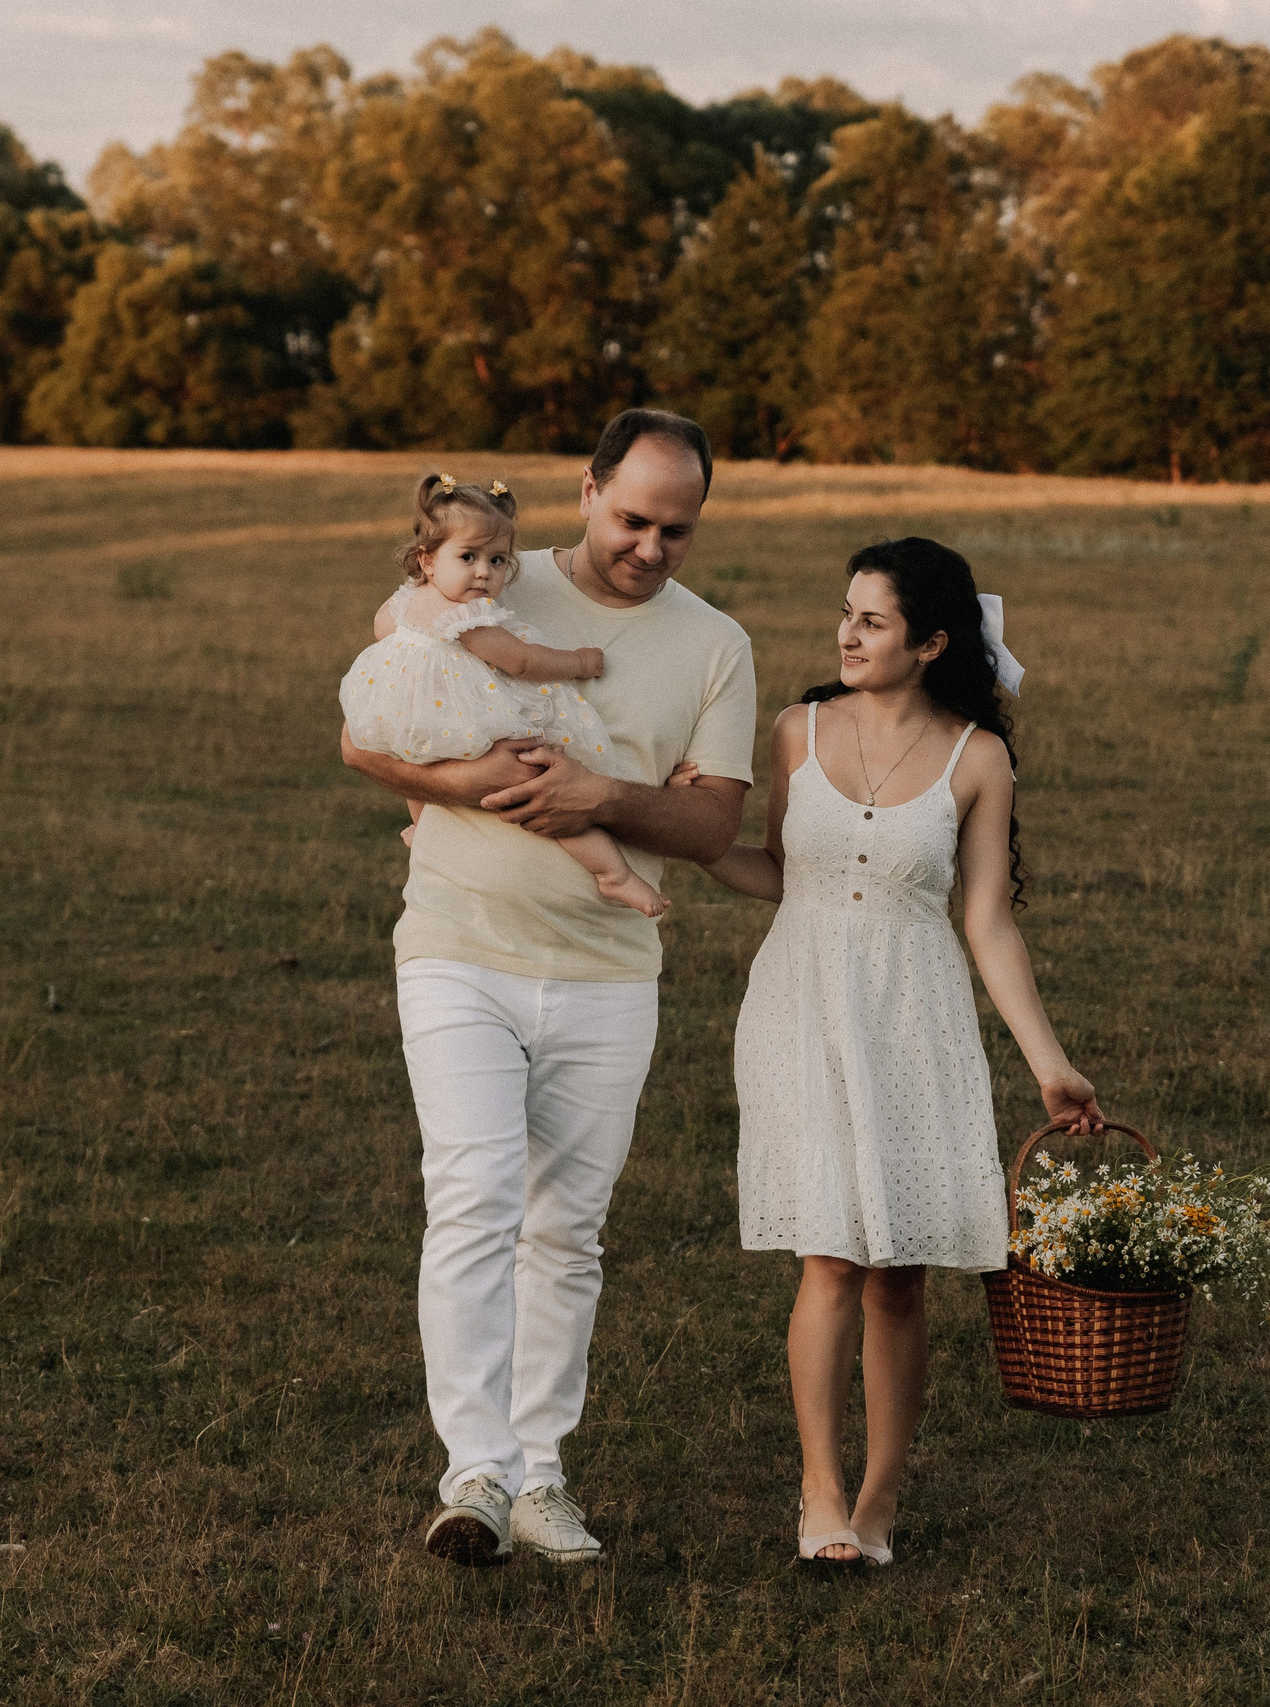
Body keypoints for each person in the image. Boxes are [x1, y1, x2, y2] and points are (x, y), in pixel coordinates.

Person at [339, 411, 755, 1567]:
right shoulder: (482, 572)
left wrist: (599, 797)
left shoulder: (716, 644)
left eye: (678, 529)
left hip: (609, 974)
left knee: (567, 1232)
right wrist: (472, 781)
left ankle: (542, 1479)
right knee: (471, 1198)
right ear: (584, 492)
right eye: (632, 519)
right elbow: (365, 736)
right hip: (458, 944)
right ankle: (473, 1475)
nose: (652, 547)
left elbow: (715, 820)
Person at [682, 536, 1102, 1568]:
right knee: (830, 1253)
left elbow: (989, 923)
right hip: (801, 1003)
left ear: (930, 643)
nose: (845, 634)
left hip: (915, 1012)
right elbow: (780, 871)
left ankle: (879, 1496)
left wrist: (1050, 1063)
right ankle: (818, 1493)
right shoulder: (796, 729)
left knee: (899, 1272)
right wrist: (676, 837)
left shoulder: (979, 759)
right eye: (845, 614)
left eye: (870, 621)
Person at [340, 472, 667, 918]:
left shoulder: (403, 600)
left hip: (411, 712)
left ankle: (420, 826)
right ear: (428, 560)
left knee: (414, 757)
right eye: (469, 556)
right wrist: (579, 662)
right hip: (459, 712)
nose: (483, 572)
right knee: (535, 780)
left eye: (497, 561)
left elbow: (384, 634)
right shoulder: (468, 617)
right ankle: (613, 874)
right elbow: (522, 662)